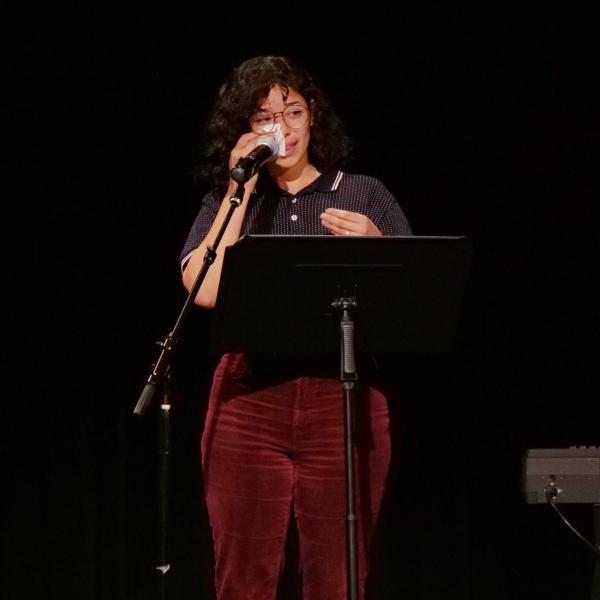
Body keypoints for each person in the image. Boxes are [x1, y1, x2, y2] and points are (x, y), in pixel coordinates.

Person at [179, 55, 412, 600]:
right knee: (244, 576)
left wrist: (378, 251)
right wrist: (240, 191)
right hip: (248, 397)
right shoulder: (227, 201)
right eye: (264, 118)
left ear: (314, 119)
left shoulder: (362, 192)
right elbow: (204, 289)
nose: (281, 128)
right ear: (243, 130)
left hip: (343, 395)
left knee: (339, 577)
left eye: (294, 112)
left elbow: (411, 304)